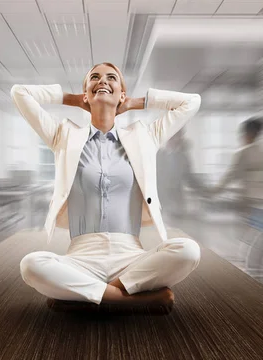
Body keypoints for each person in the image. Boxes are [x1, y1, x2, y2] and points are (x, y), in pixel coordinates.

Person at [11, 63, 201, 311]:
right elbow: (19, 93)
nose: (102, 81)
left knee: (188, 251)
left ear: (121, 93)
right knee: (31, 265)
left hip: (131, 255)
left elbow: (192, 102)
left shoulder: (145, 137)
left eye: (112, 78)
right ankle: (135, 300)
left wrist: (133, 103)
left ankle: (83, 294)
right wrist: (73, 99)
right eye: (94, 78)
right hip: (81, 256)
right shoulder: (63, 136)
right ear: (86, 93)